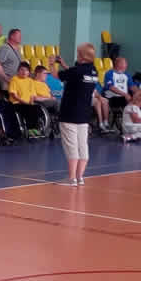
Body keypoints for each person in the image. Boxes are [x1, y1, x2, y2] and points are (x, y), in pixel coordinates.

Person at [54, 45, 98, 185]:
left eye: (78, 53)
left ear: (82, 56)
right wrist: (63, 64)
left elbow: (57, 75)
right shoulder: (94, 71)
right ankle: (80, 177)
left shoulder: (77, 71)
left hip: (69, 113)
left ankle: (71, 178)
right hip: (84, 114)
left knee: (71, 146)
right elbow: (75, 75)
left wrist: (51, 64)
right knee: (82, 146)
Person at [8, 61, 44, 139]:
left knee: (36, 108)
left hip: (28, 103)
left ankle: (35, 129)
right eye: (22, 70)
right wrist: (24, 102)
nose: (24, 72)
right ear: (18, 71)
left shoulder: (30, 81)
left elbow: (33, 95)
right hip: (17, 103)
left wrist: (31, 102)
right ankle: (30, 130)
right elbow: (14, 95)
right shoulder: (14, 79)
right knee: (28, 109)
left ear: (29, 72)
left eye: (26, 70)